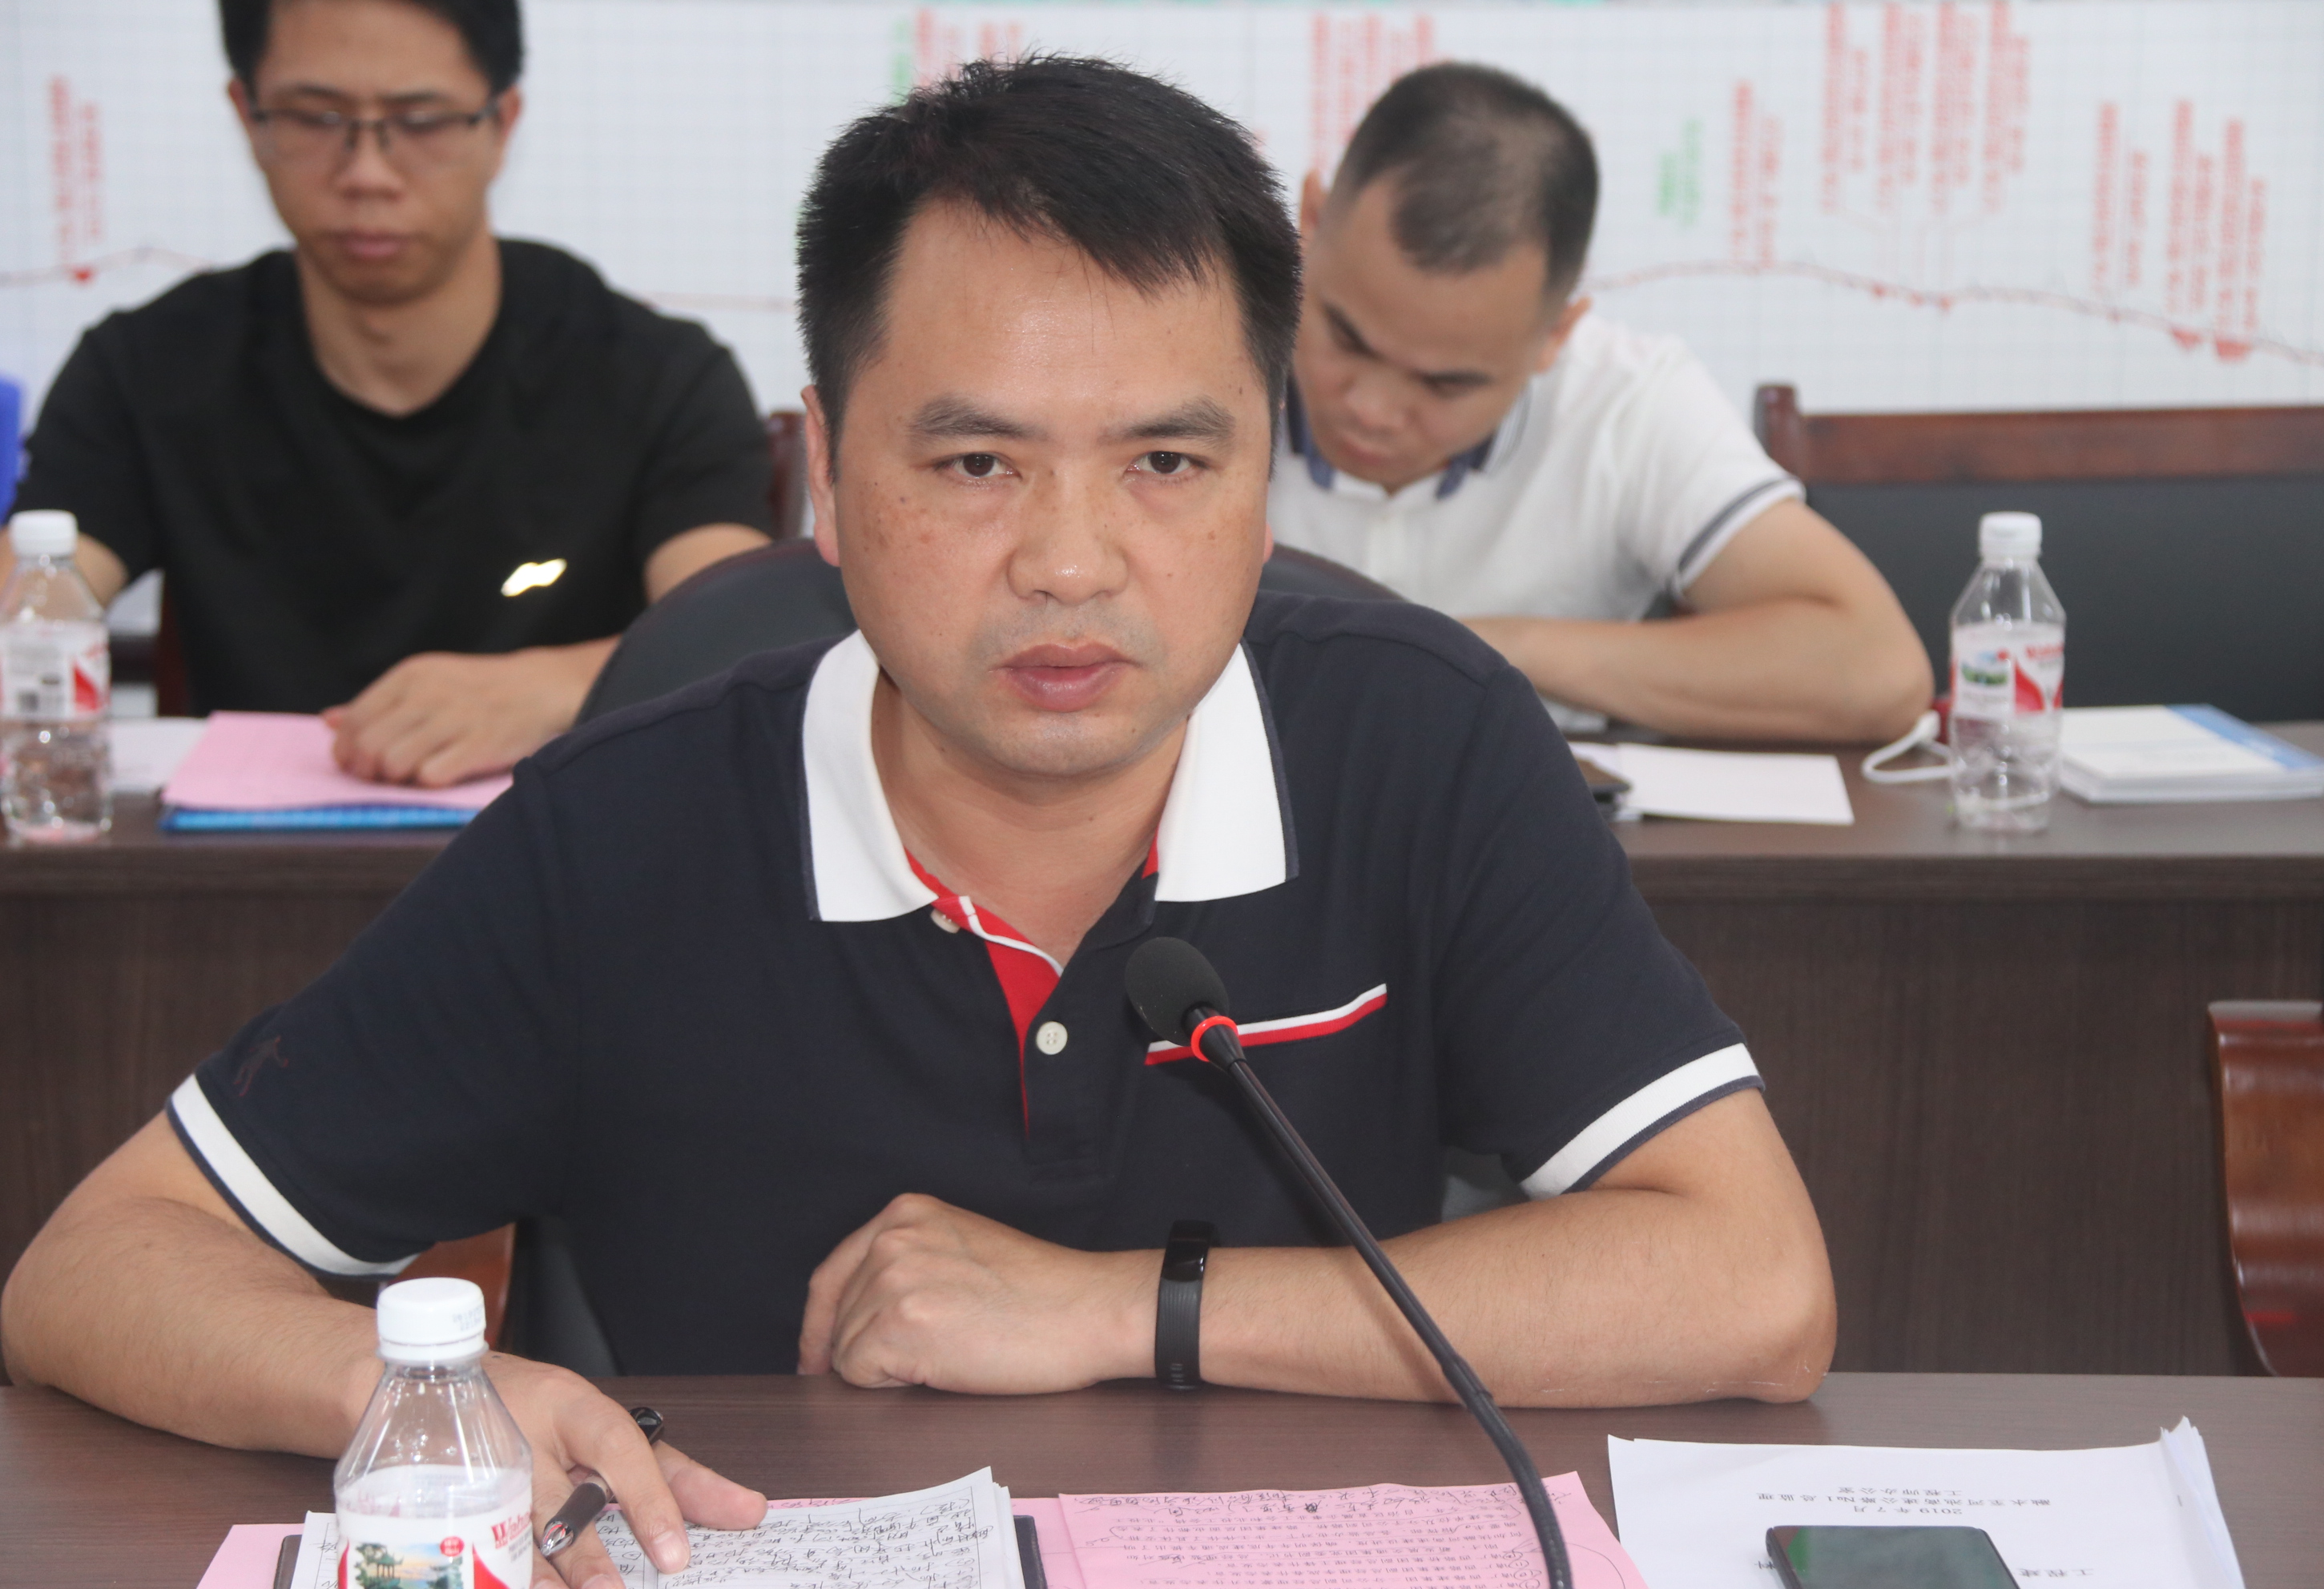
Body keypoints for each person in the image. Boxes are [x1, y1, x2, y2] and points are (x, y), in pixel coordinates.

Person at [2, 57, 1835, 1589]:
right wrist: (427, 1403)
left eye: (1167, 462)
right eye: (975, 462)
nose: (1070, 562)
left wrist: (1127, 1309)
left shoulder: (1420, 743)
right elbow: (93, 1268)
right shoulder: (624, 829)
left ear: (1261, 475)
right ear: (826, 470)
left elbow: (1753, 1285)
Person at [2, 0, 771, 786]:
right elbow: (27, 609)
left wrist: (559, 685)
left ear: (502, 123)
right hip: (239, 854)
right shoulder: (144, 370)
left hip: (567, 849)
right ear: (247, 117)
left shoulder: (659, 377)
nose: (367, 174)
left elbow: (740, 634)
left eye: (422, 121)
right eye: (314, 117)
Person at [1273, 63, 1931, 742]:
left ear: (1556, 334)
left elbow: (1876, 669)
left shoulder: (1622, 403)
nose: (1373, 408)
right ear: (1310, 222)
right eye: (1347, 339)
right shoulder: (1213, 359)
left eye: (1446, 384)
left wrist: (1470, 651)